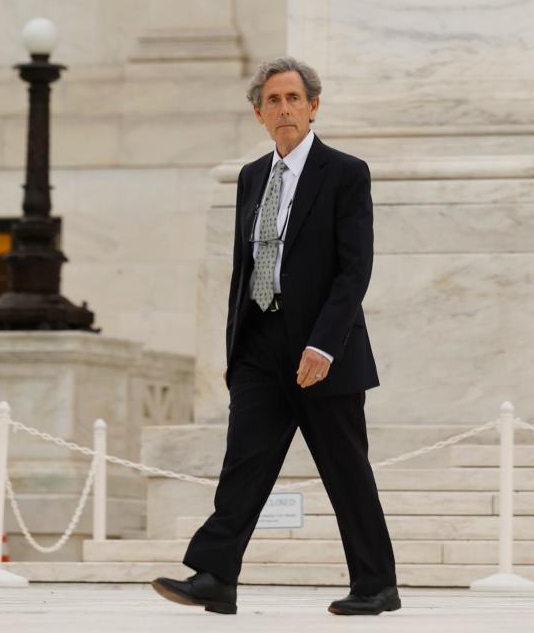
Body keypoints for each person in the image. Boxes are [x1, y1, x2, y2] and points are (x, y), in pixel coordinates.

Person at [151, 57, 399, 618]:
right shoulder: (250, 177)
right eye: (273, 101)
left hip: (322, 350)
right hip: (261, 345)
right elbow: (244, 268)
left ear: (314, 106)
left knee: (345, 470)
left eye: (293, 98)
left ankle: (377, 584)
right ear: (258, 113)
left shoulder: (345, 173)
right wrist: (235, 350)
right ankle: (215, 576)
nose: (284, 109)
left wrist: (325, 344)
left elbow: (353, 269)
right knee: (244, 463)